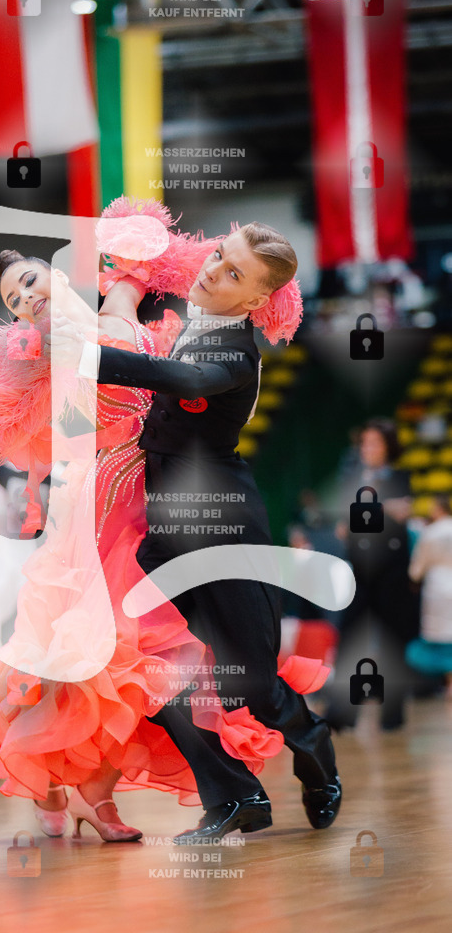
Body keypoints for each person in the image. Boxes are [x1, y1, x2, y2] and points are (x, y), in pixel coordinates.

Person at [0, 203, 328, 842]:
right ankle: (77, 791)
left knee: (159, 663)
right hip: (101, 513)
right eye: (13, 297)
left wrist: (253, 291)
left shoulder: (116, 314)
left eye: (32, 280)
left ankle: (120, 792)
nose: (26, 297)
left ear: (62, 277)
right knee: (106, 660)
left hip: (159, 496)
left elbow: (160, 260)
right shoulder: (34, 357)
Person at [55, 215, 341, 844]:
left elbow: (188, 382)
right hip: (163, 539)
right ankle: (236, 799)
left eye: (233, 273)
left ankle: (313, 742)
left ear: (257, 300)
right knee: (156, 672)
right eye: (218, 256)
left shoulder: (235, 350)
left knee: (253, 687)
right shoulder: (196, 320)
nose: (213, 271)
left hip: (223, 535)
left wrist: (89, 357)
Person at [325, 419, 416, 732]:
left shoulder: (402, 477)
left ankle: (392, 712)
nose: (368, 449)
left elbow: (401, 512)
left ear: (388, 446)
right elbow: (343, 524)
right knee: (349, 636)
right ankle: (341, 712)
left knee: (392, 638)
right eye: (364, 443)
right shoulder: (352, 478)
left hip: (391, 572)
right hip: (360, 571)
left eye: (374, 443)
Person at [406, 495, 452, 696]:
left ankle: (447, 682)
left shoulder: (429, 532)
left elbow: (416, 569)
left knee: (440, 639)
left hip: (436, 588)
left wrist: (414, 578)